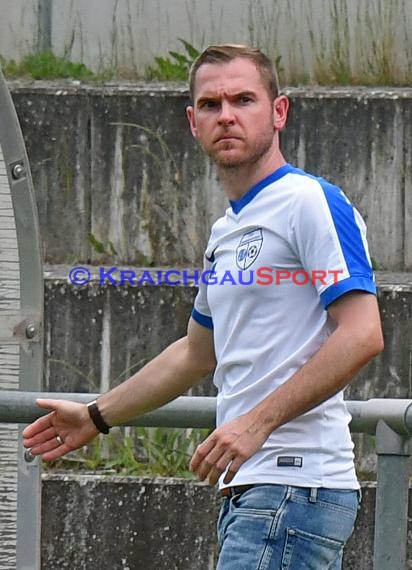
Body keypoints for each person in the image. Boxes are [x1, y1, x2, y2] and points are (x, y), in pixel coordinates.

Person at [23, 44, 383, 569]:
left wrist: (256, 424)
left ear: (278, 112)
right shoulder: (227, 229)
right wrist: (97, 416)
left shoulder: (310, 202)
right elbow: (196, 353)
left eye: (243, 99)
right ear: (193, 122)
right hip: (256, 492)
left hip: (294, 485)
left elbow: (362, 334)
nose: (227, 115)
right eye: (211, 105)